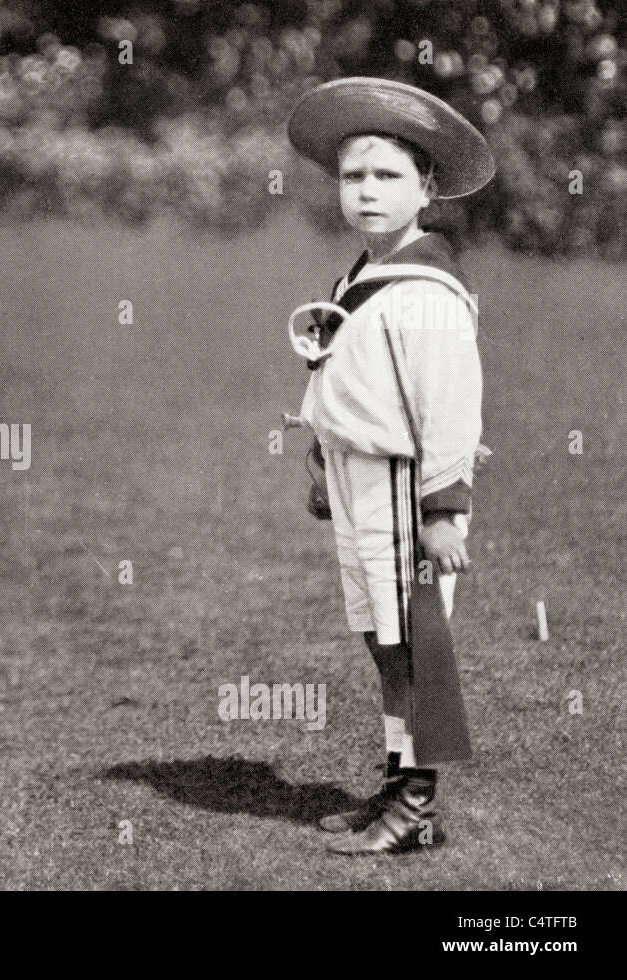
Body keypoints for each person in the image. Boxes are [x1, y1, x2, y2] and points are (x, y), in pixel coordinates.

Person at [286, 78, 495, 854]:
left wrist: (442, 511)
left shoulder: (428, 289)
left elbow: (446, 406)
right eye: (353, 177)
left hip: (409, 488)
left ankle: (413, 808)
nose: (367, 191)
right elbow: (350, 376)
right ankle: (397, 786)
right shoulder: (361, 274)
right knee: (383, 640)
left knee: (413, 644)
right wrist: (321, 455)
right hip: (360, 479)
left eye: (387, 176)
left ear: (427, 187)